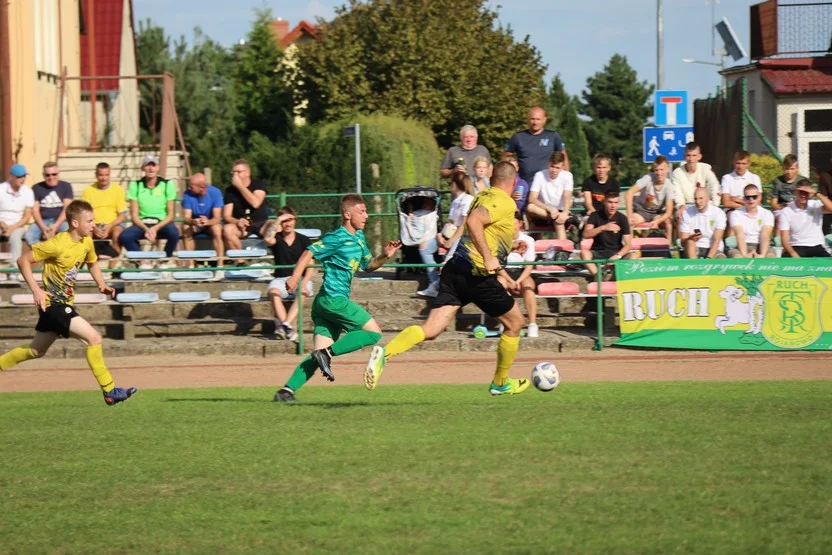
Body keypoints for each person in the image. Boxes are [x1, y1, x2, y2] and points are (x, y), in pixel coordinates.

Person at [363, 161, 531, 396]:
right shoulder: (505, 201)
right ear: (513, 182)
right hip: (476, 274)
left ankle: (385, 353)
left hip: (456, 268)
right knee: (515, 323)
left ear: (492, 178)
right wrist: (487, 257)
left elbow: (484, 232)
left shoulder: (482, 196)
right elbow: (473, 223)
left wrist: (511, 246)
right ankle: (500, 382)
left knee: (431, 329)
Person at [0, 200, 137, 405]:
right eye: (89, 221)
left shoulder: (87, 242)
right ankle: (110, 390)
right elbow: (23, 261)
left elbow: (92, 263)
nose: (94, 225)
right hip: (54, 304)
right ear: (75, 223)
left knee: (36, 351)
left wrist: (101, 285)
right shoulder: (56, 244)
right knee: (94, 339)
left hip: (61, 305)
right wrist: (36, 290)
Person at [272, 194, 401, 403]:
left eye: (366, 211)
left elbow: (368, 266)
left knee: (316, 356)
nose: (366, 216)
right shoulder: (338, 237)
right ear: (348, 214)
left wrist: (386, 255)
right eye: (362, 211)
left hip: (324, 304)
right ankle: (327, 354)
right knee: (374, 333)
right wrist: (295, 277)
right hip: (334, 300)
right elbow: (309, 253)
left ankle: (286, 391)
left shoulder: (359, 238)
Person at [262, 206, 314, 341]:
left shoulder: (303, 240)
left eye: (290, 220)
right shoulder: (277, 238)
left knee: (303, 292)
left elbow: (311, 265)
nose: (288, 223)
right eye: (285, 221)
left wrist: (304, 282)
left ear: (295, 220)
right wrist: (278, 219)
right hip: (280, 279)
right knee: (273, 292)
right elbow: (267, 239)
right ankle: (288, 326)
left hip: (300, 278)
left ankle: (284, 324)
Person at [119, 155, 179, 262]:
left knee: (174, 233)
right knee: (125, 236)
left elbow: (170, 215)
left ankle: (164, 260)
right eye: (147, 165)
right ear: (142, 168)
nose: (151, 168)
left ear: (158, 168)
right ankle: (142, 261)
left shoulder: (167, 184)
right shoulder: (135, 185)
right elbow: (134, 215)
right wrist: (147, 229)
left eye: (153, 165)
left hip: (161, 223)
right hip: (143, 223)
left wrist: (155, 228)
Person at [505, 106, 569, 184]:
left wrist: (566, 181)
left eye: (538, 119)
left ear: (544, 120)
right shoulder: (518, 137)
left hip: (546, 184)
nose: (535, 122)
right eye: (532, 119)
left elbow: (564, 159)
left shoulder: (553, 136)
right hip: (524, 184)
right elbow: (505, 159)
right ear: (528, 120)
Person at [501, 211, 539, 338]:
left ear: (520, 224)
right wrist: (509, 280)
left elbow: (529, 266)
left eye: (513, 222)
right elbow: (497, 264)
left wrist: (518, 281)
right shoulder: (499, 239)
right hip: (504, 272)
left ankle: (533, 324)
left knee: (529, 288)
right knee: (500, 285)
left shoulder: (528, 240)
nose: (510, 226)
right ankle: (505, 321)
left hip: (521, 272)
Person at [580, 191, 632, 278]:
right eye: (610, 202)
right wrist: (603, 228)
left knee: (633, 255)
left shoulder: (622, 218)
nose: (613, 206)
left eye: (616, 203)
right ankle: (599, 276)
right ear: (604, 202)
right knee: (584, 253)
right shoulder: (595, 215)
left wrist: (618, 256)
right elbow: (586, 234)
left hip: (615, 251)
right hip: (598, 252)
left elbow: (628, 245)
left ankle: (614, 277)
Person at [81, 162, 127, 257]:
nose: (104, 178)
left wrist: (109, 226)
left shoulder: (117, 190)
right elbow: (84, 214)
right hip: (94, 224)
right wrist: (93, 227)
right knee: (86, 235)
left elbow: (123, 215)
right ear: (96, 175)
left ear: (110, 174)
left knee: (117, 234)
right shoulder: (88, 190)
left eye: (106, 175)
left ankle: (112, 268)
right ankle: (90, 264)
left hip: (113, 224)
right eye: (101, 175)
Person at [222, 159, 269, 251]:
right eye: (234, 172)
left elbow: (255, 203)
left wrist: (240, 186)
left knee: (275, 227)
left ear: (247, 173)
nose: (235, 175)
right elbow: (226, 216)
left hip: (261, 223)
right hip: (242, 225)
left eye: (239, 172)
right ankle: (240, 261)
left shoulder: (258, 184)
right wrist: (237, 222)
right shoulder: (230, 190)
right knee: (227, 229)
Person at [778, 179, 832, 258]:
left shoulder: (815, 205)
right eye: (801, 192)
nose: (803, 195)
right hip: (796, 246)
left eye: (806, 193)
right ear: (795, 192)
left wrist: (817, 193)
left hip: (816, 246)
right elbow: (784, 239)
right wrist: (793, 254)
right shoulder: (786, 211)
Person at [526, 151, 574, 240]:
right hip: (543, 211)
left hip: (560, 211)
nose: (554, 170)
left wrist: (564, 213)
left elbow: (567, 195)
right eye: (552, 166)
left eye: (557, 168)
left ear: (563, 167)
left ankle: (562, 252)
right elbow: (532, 198)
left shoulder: (567, 176)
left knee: (559, 221)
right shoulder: (539, 175)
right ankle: (559, 217)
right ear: (548, 164)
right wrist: (549, 209)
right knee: (530, 207)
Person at [25, 162, 73, 246]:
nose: (51, 177)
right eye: (47, 175)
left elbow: (67, 209)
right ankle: (42, 253)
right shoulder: (36, 188)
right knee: (29, 236)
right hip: (42, 221)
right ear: (43, 175)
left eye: (54, 174)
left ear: (58, 174)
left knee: (70, 234)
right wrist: (43, 227)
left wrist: (56, 226)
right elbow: (35, 210)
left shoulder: (66, 186)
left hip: (61, 221)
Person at [625, 155, 674, 238]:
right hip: (641, 211)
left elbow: (669, 212)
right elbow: (629, 193)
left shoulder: (669, 185)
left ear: (667, 170)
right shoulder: (648, 178)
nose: (659, 173)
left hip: (656, 213)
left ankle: (668, 247)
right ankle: (630, 248)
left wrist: (657, 221)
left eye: (662, 169)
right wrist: (630, 216)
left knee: (668, 224)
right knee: (629, 222)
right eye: (656, 170)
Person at [0, 164, 34, 281]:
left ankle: (14, 271)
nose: (23, 179)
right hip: (1, 223)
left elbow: (27, 217)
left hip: (17, 225)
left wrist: (11, 228)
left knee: (15, 240)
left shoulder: (28, 192)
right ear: (12, 177)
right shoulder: (1, 189)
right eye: (19, 176)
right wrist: (2, 224)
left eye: (24, 176)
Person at [181, 173, 224, 265]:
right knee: (185, 228)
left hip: (210, 223)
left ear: (202, 188)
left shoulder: (215, 193)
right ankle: (191, 265)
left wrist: (207, 222)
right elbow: (186, 217)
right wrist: (193, 221)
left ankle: (220, 265)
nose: (189, 188)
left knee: (217, 229)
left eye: (192, 186)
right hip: (195, 223)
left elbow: (217, 218)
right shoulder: (187, 194)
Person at [671, 142, 721, 220]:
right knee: (680, 216)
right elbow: (677, 193)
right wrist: (680, 205)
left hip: (705, 205)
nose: (691, 159)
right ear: (684, 156)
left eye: (694, 155)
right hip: (686, 206)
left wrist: (715, 205)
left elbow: (714, 186)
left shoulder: (706, 168)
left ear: (699, 157)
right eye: (688, 155)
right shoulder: (677, 173)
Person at [727, 184, 775, 258]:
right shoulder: (736, 214)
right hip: (741, 246)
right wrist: (745, 255)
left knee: (770, 256)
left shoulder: (767, 214)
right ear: (743, 199)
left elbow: (765, 235)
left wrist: (762, 255)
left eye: (754, 197)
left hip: (761, 245)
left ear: (759, 197)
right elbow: (740, 235)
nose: (751, 199)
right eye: (747, 197)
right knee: (737, 257)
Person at [679, 187, 727, 259]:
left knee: (721, 258)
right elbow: (683, 242)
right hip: (695, 247)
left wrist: (709, 258)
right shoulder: (687, 212)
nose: (698, 202)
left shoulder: (719, 213)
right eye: (695, 199)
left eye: (701, 198)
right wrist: (691, 237)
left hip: (714, 249)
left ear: (708, 199)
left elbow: (716, 240)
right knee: (690, 242)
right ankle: (694, 267)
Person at [437, 172, 475, 262]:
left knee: (447, 261)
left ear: (454, 185)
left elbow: (463, 225)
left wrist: (450, 241)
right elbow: (450, 222)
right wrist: (440, 235)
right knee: (426, 248)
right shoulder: (455, 201)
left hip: (462, 236)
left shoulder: (468, 200)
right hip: (452, 234)